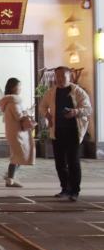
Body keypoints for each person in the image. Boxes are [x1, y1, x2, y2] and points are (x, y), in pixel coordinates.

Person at [39, 66, 92, 201]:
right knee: (60, 163)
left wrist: (75, 112)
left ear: (70, 77)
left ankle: (74, 191)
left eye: (63, 76)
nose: (60, 79)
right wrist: (47, 115)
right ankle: (65, 188)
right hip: (57, 132)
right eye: (57, 76)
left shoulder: (77, 91)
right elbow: (42, 106)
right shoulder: (52, 92)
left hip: (73, 131)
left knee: (73, 161)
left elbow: (88, 109)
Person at [0, 78, 36, 188]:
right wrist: (29, 111)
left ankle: (10, 176)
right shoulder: (13, 101)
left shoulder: (10, 101)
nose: (20, 88)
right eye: (19, 86)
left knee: (18, 155)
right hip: (17, 133)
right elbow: (19, 116)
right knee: (18, 155)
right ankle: (10, 178)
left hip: (15, 132)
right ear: (13, 87)